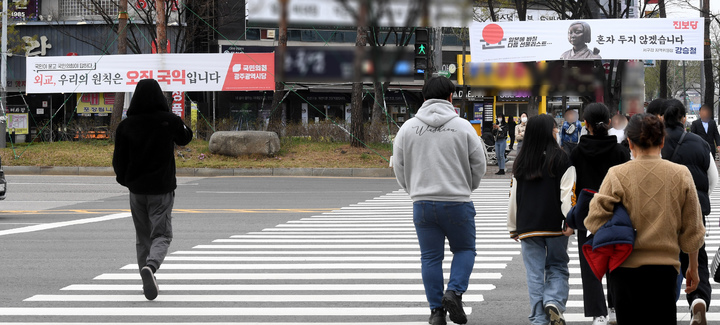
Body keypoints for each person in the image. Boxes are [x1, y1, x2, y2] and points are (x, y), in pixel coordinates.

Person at [585, 114, 706, 324]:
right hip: (665, 270)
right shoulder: (681, 174)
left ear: (629, 143)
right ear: (662, 141)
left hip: (624, 268)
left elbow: (594, 221)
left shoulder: (617, 174)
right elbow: (693, 228)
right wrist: (693, 267)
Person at [393, 76, 487, 325]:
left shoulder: (408, 128)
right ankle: (454, 292)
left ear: (423, 97)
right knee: (465, 249)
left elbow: (398, 166)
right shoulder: (463, 126)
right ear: (450, 97)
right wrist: (468, 186)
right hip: (457, 200)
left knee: (430, 258)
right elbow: (480, 164)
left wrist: (412, 189)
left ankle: (436, 312)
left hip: (422, 203)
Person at [112, 79, 194, 301]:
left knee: (143, 237)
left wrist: (127, 181)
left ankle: (145, 278)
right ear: (160, 96)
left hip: (136, 191)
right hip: (161, 189)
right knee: (162, 234)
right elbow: (186, 138)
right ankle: (151, 267)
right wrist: (176, 119)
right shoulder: (168, 121)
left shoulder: (125, 126)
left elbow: (118, 161)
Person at [508, 114, 576, 325]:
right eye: (555, 129)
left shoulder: (522, 161)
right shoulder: (562, 158)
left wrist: (513, 226)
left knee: (534, 274)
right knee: (557, 266)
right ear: (549, 132)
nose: (557, 131)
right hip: (555, 225)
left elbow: (514, 196)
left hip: (528, 226)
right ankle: (554, 301)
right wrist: (570, 221)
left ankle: (538, 317)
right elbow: (568, 194)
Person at [567, 103, 630, 325]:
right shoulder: (620, 151)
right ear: (610, 122)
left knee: (589, 264)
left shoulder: (576, 152)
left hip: (587, 216)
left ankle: (598, 313)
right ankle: (614, 307)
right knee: (616, 260)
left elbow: (572, 187)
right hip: (615, 214)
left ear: (586, 124)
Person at [660, 99, 717, 325]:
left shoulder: (656, 142)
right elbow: (714, 179)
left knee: (666, 262)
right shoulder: (700, 143)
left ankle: (665, 307)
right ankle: (698, 301)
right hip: (694, 212)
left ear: (663, 118)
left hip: (662, 214)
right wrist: (700, 202)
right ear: (684, 119)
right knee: (697, 260)